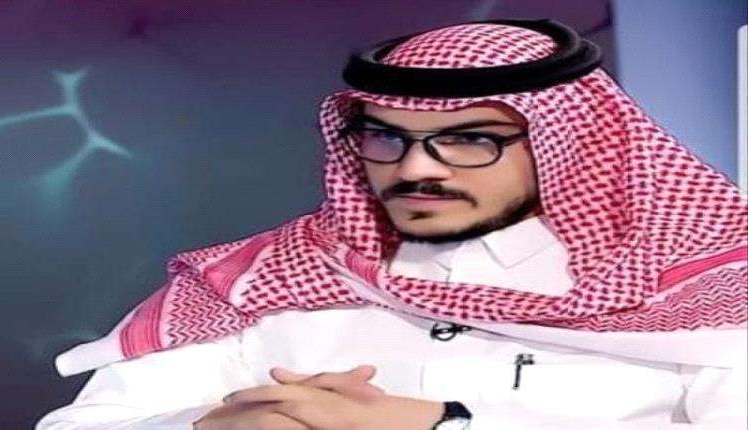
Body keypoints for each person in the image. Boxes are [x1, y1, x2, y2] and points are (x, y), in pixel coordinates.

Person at [36, 19, 747, 430]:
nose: (413, 169)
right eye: (386, 137)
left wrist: (444, 424)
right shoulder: (257, 280)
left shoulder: (705, 293)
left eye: (471, 139)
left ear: (569, 143)